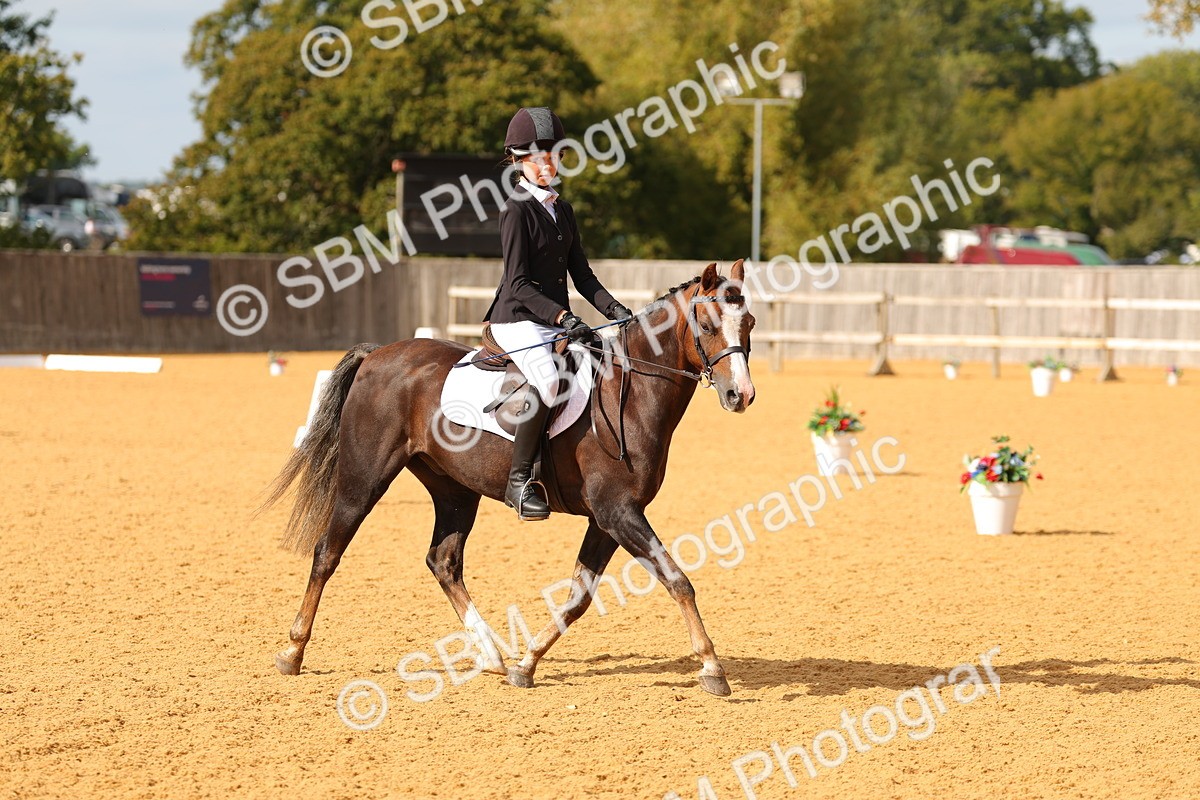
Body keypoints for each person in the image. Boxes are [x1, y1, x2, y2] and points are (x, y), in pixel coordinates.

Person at [483, 107, 633, 521]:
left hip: (549, 319)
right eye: (537, 156)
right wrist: (564, 319)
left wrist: (616, 310)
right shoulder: (515, 210)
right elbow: (517, 283)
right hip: (516, 319)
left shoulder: (562, 210)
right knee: (549, 381)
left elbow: (582, 274)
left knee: (601, 361)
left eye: (553, 154)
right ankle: (519, 482)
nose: (547, 162)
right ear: (518, 160)